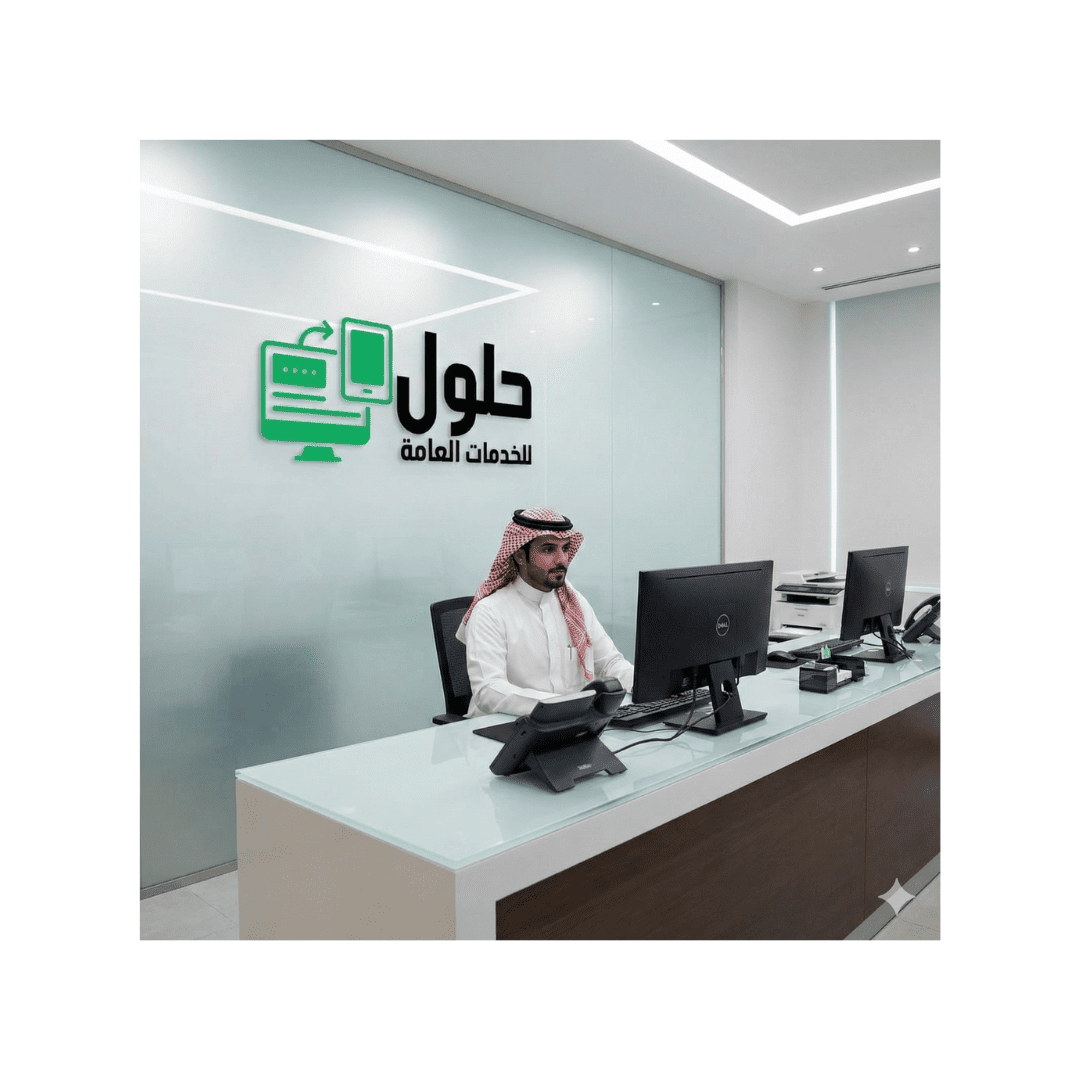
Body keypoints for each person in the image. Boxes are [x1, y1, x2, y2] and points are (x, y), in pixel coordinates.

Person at [456, 506, 634, 717]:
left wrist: (644, 684)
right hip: (505, 727)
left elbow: (610, 662)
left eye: (565, 548)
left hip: (572, 722)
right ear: (520, 555)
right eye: (549, 550)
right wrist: (563, 706)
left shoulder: (573, 603)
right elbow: (489, 691)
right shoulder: (490, 612)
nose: (562, 560)